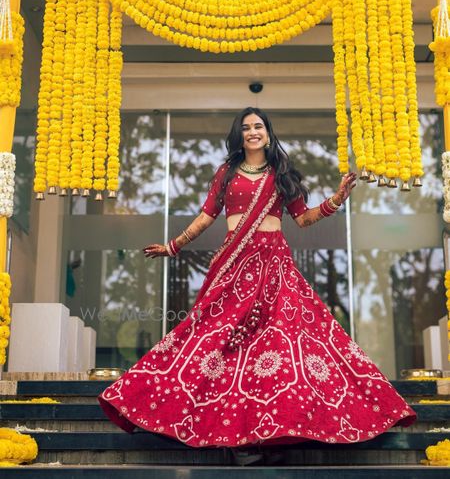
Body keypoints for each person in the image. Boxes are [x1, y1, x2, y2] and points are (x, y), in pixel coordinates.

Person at [98, 107, 417, 466]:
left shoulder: (282, 173)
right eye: (247, 127)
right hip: (235, 267)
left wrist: (336, 200)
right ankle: (229, 429)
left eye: (258, 127)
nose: (253, 132)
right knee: (220, 341)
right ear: (240, 135)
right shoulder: (227, 173)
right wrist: (174, 245)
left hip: (275, 267)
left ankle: (274, 431)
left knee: (281, 345)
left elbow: (303, 218)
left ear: (268, 133)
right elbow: (207, 217)